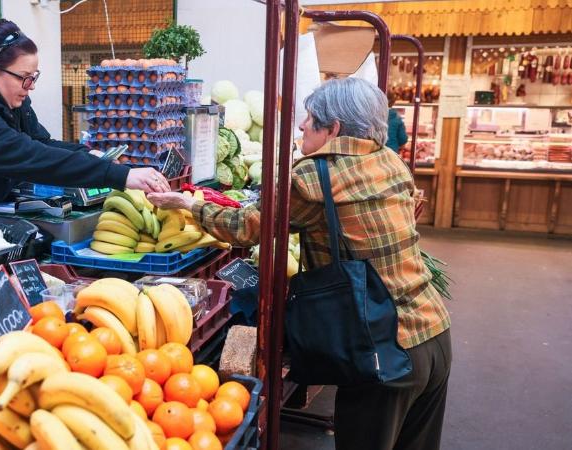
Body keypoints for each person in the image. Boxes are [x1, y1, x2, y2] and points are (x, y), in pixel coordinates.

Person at [149, 78, 451, 450]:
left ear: (334, 128)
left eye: (309, 119)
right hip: (434, 333)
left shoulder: (315, 176)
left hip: (383, 349)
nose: (302, 126)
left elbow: (246, 227)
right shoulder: (389, 160)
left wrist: (189, 204)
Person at [0, 20, 169, 207]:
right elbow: (27, 154)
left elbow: (39, 141)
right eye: (24, 78)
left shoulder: (7, 98)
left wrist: (90, 154)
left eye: (33, 78)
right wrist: (119, 176)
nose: (29, 88)